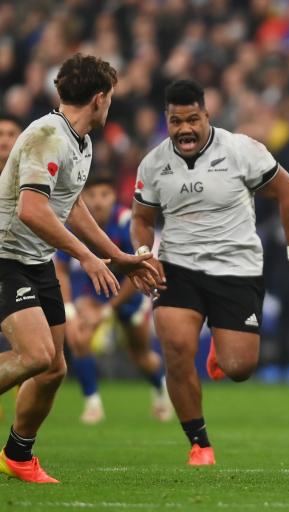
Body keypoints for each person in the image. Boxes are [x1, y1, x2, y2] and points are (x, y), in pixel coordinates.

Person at [131, 79, 289, 466]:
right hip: (177, 267)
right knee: (178, 351)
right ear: (167, 122)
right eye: (175, 121)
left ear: (207, 116)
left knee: (239, 368)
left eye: (192, 119)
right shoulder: (153, 164)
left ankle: (222, 338)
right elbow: (141, 217)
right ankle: (199, 444)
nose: (184, 129)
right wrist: (144, 253)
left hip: (236, 268)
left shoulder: (240, 150)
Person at [0, 53, 160, 484]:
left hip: (35, 260)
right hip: (6, 257)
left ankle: (18, 454)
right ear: (99, 98)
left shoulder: (80, 141)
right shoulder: (48, 136)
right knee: (34, 355)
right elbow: (34, 210)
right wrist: (87, 258)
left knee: (54, 368)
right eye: (110, 98)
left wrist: (117, 256)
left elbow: (69, 207)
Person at [54, 172, 172, 425]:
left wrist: (108, 312)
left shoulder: (126, 222)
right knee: (78, 336)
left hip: (127, 294)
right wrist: (69, 309)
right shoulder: (73, 223)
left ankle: (161, 390)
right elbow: (60, 267)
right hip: (93, 293)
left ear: (114, 197)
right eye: (92, 195)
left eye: (104, 195)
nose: (97, 201)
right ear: (82, 197)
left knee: (140, 355)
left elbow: (137, 274)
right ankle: (93, 405)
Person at [0, 113, 23, 421]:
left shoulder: (28, 179)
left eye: (11, 134)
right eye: (0, 134)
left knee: (38, 356)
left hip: (16, 270)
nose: (5, 140)